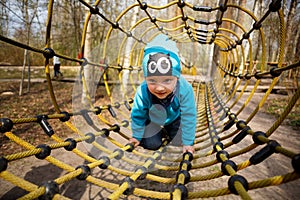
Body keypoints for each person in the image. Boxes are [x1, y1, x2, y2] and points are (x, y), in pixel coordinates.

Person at [129, 34, 197, 154]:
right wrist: (137, 136)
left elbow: (189, 115)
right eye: (152, 81)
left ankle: (169, 131)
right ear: (145, 78)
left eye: (167, 80)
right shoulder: (143, 90)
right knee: (152, 144)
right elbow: (138, 114)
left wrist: (188, 142)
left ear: (177, 77)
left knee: (178, 140)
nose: (160, 88)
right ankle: (158, 132)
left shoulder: (184, 88)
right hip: (152, 120)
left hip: (174, 118)